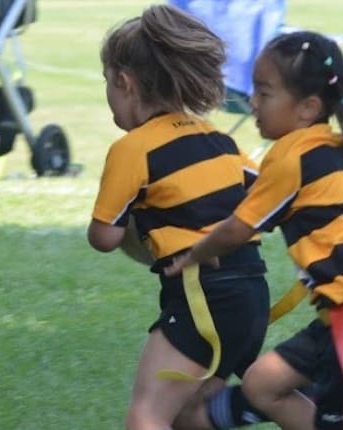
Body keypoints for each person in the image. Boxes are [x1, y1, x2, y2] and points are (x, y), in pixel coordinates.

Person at [166, 30, 343, 430]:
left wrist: (196, 252)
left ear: (307, 107)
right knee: (262, 383)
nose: (253, 103)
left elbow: (236, 229)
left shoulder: (290, 157)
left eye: (264, 93)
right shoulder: (327, 144)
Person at [89, 5, 270, 429]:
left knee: (147, 416)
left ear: (124, 82)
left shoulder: (133, 149)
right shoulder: (220, 140)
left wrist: (135, 221)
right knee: (192, 416)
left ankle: (301, 398)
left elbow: (104, 237)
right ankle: (297, 402)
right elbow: (265, 196)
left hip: (201, 294)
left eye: (106, 83)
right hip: (251, 294)